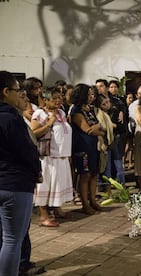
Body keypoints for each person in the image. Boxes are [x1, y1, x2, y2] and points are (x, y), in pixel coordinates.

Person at [0, 71, 41, 276]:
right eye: (17, 91)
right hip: (14, 184)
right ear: (6, 92)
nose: (20, 95)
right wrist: (37, 172)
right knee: (12, 241)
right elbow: (26, 150)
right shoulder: (10, 118)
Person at [31, 87, 73, 227]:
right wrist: (49, 123)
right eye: (54, 98)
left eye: (59, 97)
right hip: (48, 158)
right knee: (46, 185)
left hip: (62, 156)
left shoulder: (61, 112)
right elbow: (33, 133)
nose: (58, 100)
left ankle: (57, 209)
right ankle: (43, 216)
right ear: (45, 100)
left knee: (59, 184)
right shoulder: (40, 113)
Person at [70, 84, 106, 215]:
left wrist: (98, 129)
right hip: (82, 147)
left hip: (93, 146)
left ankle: (93, 201)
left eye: (93, 94)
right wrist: (99, 130)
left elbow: (97, 128)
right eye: (89, 94)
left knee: (94, 173)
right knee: (84, 175)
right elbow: (87, 129)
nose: (92, 97)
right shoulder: (76, 110)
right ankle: (85, 204)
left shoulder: (90, 109)